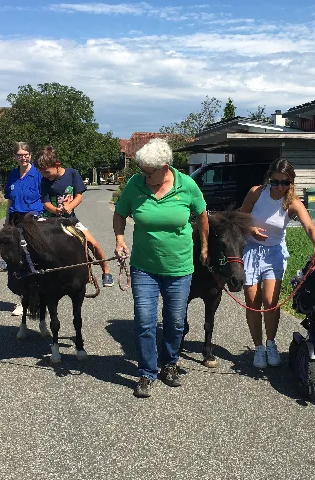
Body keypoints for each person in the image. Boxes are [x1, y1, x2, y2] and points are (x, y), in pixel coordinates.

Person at [113, 138, 208, 398]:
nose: (143, 176)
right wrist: (120, 239)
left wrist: (204, 246)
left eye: (148, 172)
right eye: (141, 171)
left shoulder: (187, 185)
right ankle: (146, 372)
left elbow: (202, 215)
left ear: (165, 167)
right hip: (144, 266)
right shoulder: (135, 185)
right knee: (144, 321)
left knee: (175, 322)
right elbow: (120, 213)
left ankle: (169, 364)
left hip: (179, 267)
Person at [239, 158, 315, 369]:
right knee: (252, 302)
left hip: (274, 253)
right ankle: (258, 348)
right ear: (268, 179)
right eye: (275, 182)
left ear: (291, 182)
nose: (279, 187)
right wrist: (251, 230)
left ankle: (271, 343)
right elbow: (241, 216)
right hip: (251, 250)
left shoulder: (293, 202)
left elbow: (309, 227)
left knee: (270, 301)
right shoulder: (256, 192)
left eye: (284, 183)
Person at [34, 146, 114, 287]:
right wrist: (55, 210)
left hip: (70, 219)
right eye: (42, 173)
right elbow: (45, 203)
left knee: (92, 243)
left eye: (46, 172)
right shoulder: (45, 181)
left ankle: (106, 271)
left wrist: (69, 207)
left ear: (57, 165)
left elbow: (79, 197)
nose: (45, 175)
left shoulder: (72, 174)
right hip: (50, 219)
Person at [4, 141, 44, 316]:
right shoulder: (12, 175)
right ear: (15, 157)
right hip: (15, 219)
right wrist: (6, 224)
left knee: (34, 258)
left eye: (26, 154)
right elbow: (10, 201)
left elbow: (46, 198)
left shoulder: (38, 175)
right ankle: (22, 299)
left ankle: (40, 297)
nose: (23, 157)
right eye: (19, 155)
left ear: (30, 155)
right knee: (16, 261)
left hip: (34, 219)